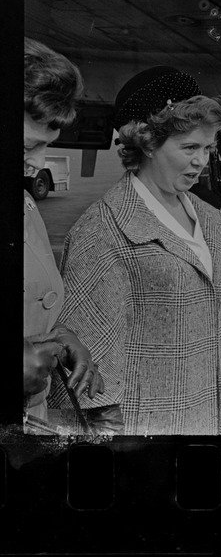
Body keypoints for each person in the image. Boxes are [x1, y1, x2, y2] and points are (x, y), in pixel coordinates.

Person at [48, 67, 221, 435]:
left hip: (204, 419)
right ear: (147, 143)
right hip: (143, 431)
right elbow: (83, 372)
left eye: (208, 148)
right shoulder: (103, 229)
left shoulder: (209, 219)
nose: (202, 161)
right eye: (189, 147)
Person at [23, 38, 104, 430]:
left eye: (46, 148)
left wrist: (60, 334)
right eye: (28, 145)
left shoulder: (22, 203)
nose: (38, 163)